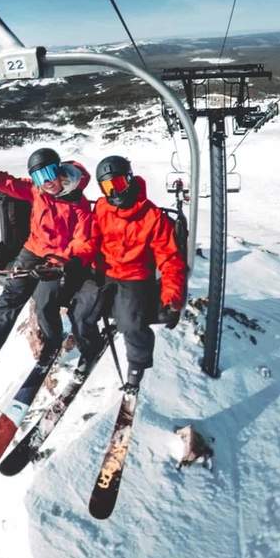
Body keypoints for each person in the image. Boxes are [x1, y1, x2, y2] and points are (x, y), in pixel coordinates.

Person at [0, 142, 94, 380]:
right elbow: (1, 181)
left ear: (59, 171)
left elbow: (84, 241)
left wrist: (60, 264)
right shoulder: (37, 190)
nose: (46, 182)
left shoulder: (78, 203)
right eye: (38, 176)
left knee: (45, 304)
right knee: (9, 298)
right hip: (32, 250)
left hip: (57, 259)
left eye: (49, 173)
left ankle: (53, 345)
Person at [69, 155, 186, 391]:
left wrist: (172, 298)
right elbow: (88, 239)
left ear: (130, 180)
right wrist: (73, 259)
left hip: (134, 276)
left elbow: (170, 258)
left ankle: (136, 366)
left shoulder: (152, 217)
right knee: (80, 313)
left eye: (119, 184)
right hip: (102, 271)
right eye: (108, 187)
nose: (114, 192)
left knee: (131, 323)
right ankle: (89, 349)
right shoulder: (102, 208)